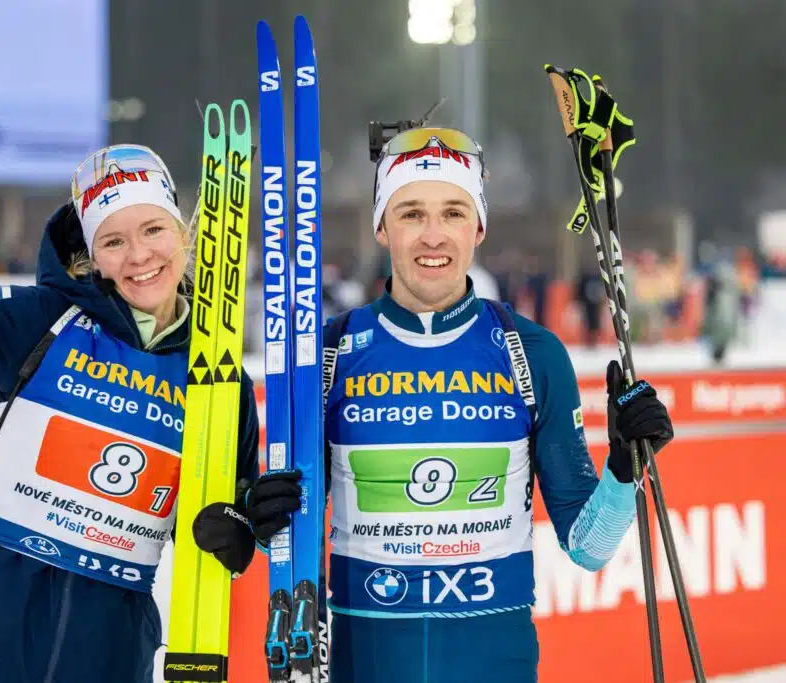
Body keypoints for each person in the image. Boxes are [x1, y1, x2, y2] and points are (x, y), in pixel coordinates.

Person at [0, 95, 292, 683]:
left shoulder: (218, 375)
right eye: (114, 241)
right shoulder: (42, 322)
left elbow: (217, 523)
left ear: (182, 234)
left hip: (105, 646)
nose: (139, 256)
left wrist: (245, 523)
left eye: (153, 229)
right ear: (92, 257)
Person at [249, 127, 676, 683]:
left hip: (494, 662)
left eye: (453, 213)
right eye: (411, 214)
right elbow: (289, 541)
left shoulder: (532, 353)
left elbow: (588, 547)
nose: (433, 236)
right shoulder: (328, 354)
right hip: (367, 662)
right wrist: (266, 517)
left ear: (478, 227)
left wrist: (623, 469)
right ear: (382, 227)